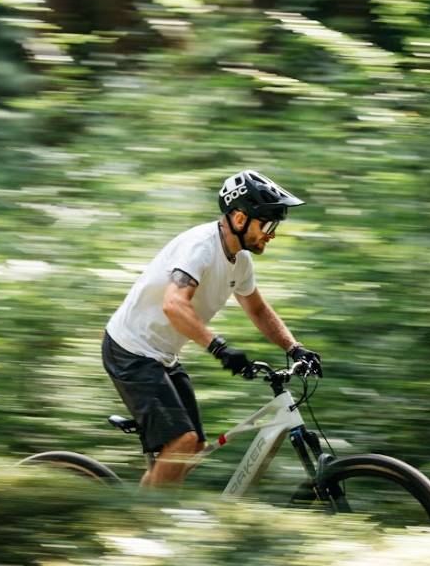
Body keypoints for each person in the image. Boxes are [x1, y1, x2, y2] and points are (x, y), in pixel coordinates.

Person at [102, 169, 322, 487]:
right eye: (268, 224)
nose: (272, 234)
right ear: (241, 218)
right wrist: (219, 348)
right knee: (182, 442)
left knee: (193, 448)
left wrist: (294, 347)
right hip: (130, 349)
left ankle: (140, 510)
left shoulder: (240, 261)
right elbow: (174, 303)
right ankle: (145, 525)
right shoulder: (201, 247)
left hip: (162, 355)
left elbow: (258, 309)